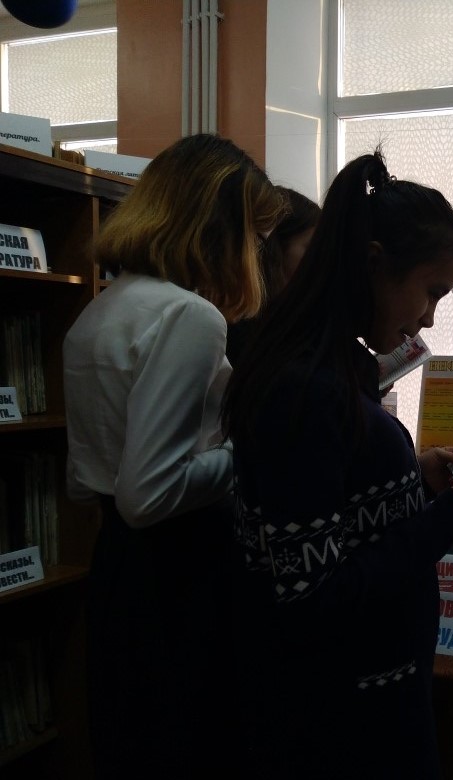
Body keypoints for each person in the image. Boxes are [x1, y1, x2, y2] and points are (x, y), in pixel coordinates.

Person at [221, 148, 453, 779]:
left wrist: (415, 479)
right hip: (340, 726)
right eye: (431, 292)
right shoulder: (303, 388)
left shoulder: (334, 366)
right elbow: (312, 597)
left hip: (371, 702)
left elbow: (343, 507)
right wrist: (451, 515)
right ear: (376, 265)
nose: (428, 318)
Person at [62, 133, 285, 778]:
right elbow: (149, 495)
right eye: (254, 237)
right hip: (179, 572)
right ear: (219, 228)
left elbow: (87, 482)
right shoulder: (190, 316)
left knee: (132, 745)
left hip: (118, 571)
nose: (257, 256)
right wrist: (249, 453)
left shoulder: (100, 310)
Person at [226, 185, 320, 364]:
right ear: (275, 247)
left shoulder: (298, 319)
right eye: (311, 249)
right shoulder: (238, 327)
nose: (320, 260)